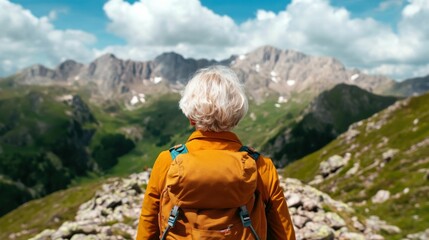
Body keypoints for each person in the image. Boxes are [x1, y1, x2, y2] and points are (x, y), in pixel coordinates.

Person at [136, 65, 295, 240]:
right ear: (237, 116)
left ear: (190, 117)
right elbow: (283, 234)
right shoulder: (261, 166)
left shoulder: (167, 161)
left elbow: (147, 228)